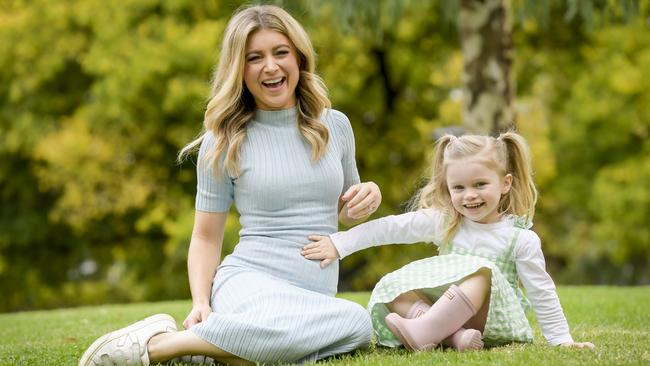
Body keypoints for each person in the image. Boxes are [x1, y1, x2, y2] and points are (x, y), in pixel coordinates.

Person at [79, 5, 381, 365]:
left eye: (280, 52)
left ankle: (185, 345)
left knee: (358, 323)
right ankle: (174, 343)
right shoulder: (223, 141)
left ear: (299, 59)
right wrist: (201, 304)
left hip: (312, 295)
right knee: (309, 332)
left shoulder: (337, 126)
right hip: (249, 283)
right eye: (255, 58)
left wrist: (369, 196)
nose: (270, 66)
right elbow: (206, 236)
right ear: (239, 69)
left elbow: (345, 213)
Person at [302, 132, 595, 352]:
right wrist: (339, 244)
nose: (469, 195)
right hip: (458, 321)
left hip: (493, 321)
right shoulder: (445, 220)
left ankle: (425, 328)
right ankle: (453, 337)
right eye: (459, 187)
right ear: (447, 187)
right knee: (392, 286)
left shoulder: (520, 238)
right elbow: (389, 228)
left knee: (481, 274)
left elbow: (541, 291)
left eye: (480, 184)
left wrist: (562, 340)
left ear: (505, 183)